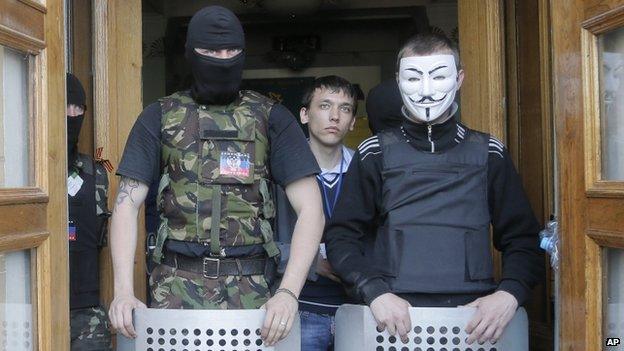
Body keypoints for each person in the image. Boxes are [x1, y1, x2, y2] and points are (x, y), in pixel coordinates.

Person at [108, 6, 325, 347]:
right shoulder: (159, 116)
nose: (222, 60)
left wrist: (288, 292)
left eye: (232, 52)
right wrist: (122, 289)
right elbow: (126, 203)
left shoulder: (271, 118)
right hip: (175, 289)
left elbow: (312, 208)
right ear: (190, 54)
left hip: (254, 296)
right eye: (210, 52)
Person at [325, 33, 544, 345]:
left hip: (471, 323)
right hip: (392, 323)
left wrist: (510, 293)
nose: (426, 91)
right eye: (414, 78)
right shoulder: (374, 152)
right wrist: (374, 292)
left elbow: (523, 237)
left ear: (459, 79)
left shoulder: (489, 152)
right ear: (399, 80)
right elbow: (341, 236)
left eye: (439, 76)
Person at [274, 76, 357, 350]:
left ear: (353, 121)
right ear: (304, 114)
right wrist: (311, 262)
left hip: (357, 309)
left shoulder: (366, 169)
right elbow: (258, 242)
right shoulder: (278, 173)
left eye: (345, 109)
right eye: (324, 106)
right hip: (299, 308)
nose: (335, 116)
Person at [66, 73, 113, 350]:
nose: (73, 115)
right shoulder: (27, 174)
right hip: (35, 306)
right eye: (66, 106)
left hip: (88, 316)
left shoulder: (96, 173)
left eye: (79, 108)